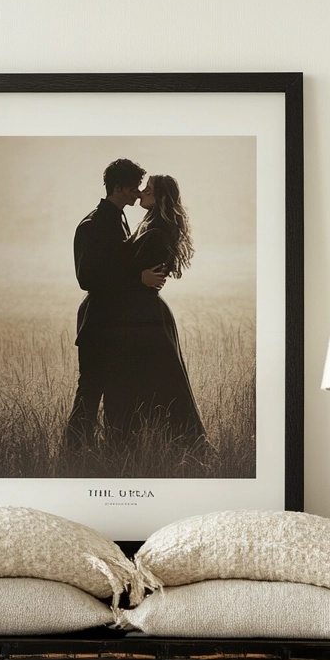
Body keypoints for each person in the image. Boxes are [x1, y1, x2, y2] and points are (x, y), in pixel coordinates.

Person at [99, 174, 206, 452]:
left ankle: (173, 447)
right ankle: (139, 445)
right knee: (151, 383)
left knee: (158, 384)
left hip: (145, 317)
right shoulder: (150, 224)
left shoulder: (157, 231)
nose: (143, 192)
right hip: (142, 313)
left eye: (149, 189)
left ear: (161, 198)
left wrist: (133, 279)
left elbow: (142, 274)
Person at [64, 159, 166, 448]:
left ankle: (113, 454)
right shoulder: (92, 225)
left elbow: (117, 266)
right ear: (118, 188)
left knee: (116, 394)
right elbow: (87, 278)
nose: (137, 193)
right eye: (134, 188)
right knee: (89, 393)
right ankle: (73, 453)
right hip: (97, 325)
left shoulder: (119, 218)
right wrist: (139, 280)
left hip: (115, 326)